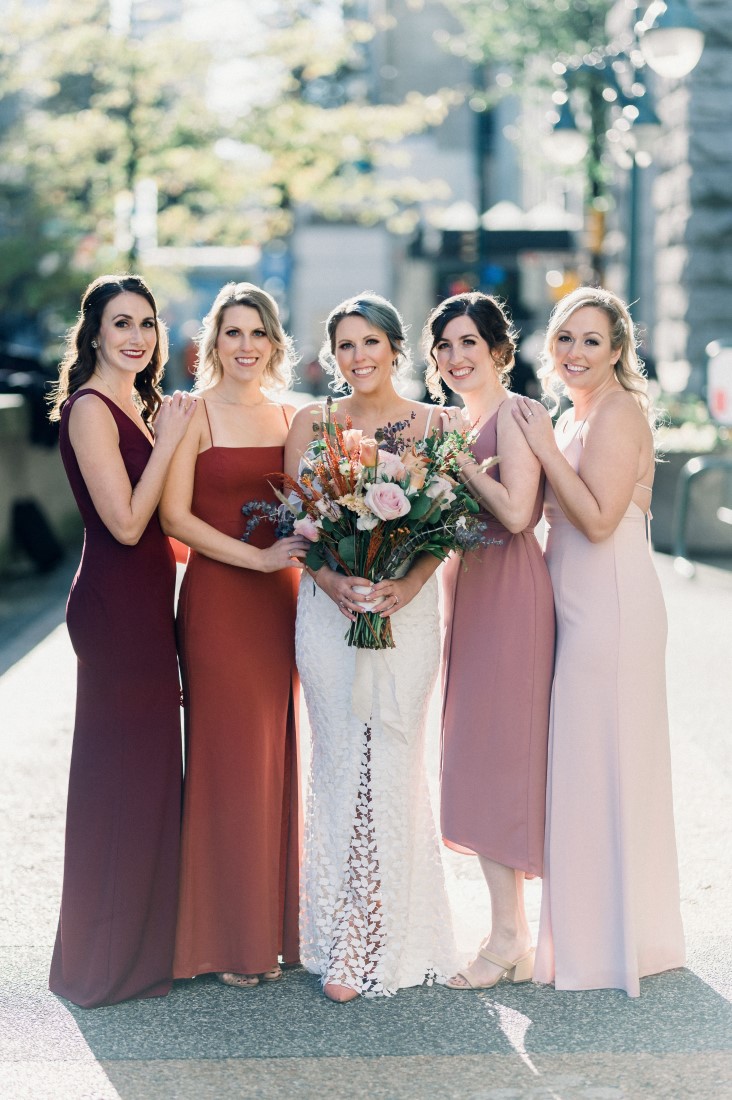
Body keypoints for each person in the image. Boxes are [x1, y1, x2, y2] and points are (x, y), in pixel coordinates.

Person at [285, 292, 459, 1002]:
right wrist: (330, 582)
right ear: (334, 355)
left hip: (405, 614)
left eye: (370, 342)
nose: (358, 357)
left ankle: (382, 925)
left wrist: (410, 586)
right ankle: (341, 929)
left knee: (390, 756)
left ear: (395, 347)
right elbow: (299, 526)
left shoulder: (436, 424)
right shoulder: (312, 422)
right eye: (345, 345)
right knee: (336, 760)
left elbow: (443, 529)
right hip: (331, 614)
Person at [513, 285, 685, 997]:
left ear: (618, 350)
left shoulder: (618, 414)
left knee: (604, 763)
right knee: (584, 765)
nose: (575, 353)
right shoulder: (570, 412)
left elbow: (597, 518)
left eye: (591, 340)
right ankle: (597, 936)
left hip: (612, 601)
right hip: (575, 600)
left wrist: (545, 450)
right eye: (565, 339)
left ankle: (611, 947)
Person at [47, 274, 196, 1008]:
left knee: (145, 783)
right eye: (121, 324)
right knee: (119, 784)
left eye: (147, 324)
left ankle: (137, 953)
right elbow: (130, 524)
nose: (136, 337)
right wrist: (170, 440)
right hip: (113, 612)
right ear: (95, 334)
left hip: (144, 607)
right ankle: (101, 968)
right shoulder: (89, 410)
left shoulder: (138, 406)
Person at [159, 282, 309, 990]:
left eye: (258, 333)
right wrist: (253, 558)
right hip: (221, 601)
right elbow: (174, 518)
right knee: (226, 762)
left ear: (275, 343)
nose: (245, 346)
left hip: (281, 603)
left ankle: (271, 930)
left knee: (273, 758)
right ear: (211, 343)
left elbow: (315, 509)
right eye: (232, 333)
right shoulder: (193, 413)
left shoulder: (291, 415)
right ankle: (224, 939)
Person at [422, 292, 555, 990]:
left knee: (498, 760)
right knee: (470, 757)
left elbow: (515, 511)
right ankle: (512, 932)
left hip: (511, 595)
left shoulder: (517, 416)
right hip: (468, 594)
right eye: (445, 345)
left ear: (499, 349)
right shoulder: (458, 420)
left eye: (469, 341)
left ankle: (508, 938)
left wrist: (458, 462)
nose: (456, 356)